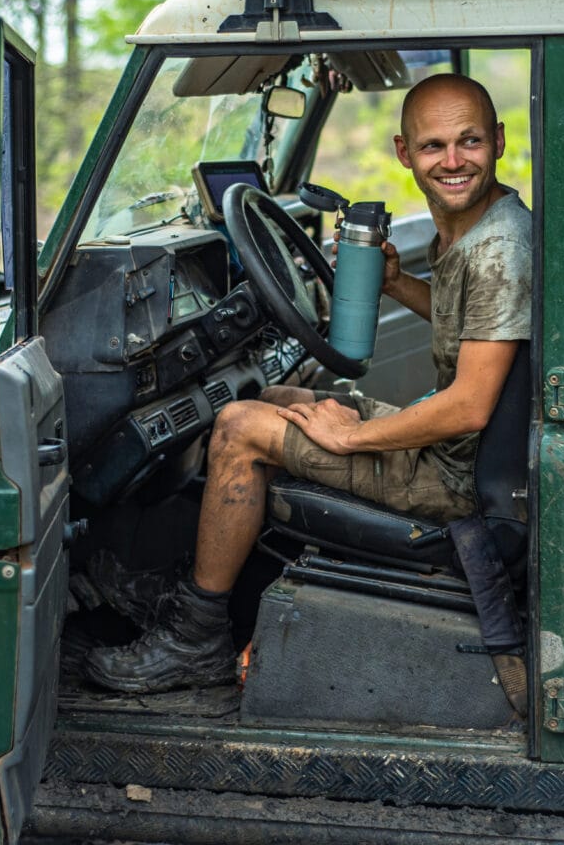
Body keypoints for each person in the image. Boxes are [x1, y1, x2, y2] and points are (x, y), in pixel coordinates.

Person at [84, 72, 532, 696]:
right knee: (273, 399)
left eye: (470, 141)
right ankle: (197, 586)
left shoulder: (500, 248)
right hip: (459, 451)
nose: (453, 161)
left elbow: (471, 406)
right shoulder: (480, 224)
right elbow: (475, 329)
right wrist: (397, 284)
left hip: (457, 477)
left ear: (499, 141)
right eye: (434, 145)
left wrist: (354, 438)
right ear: (405, 152)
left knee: (238, 428)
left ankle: (195, 640)